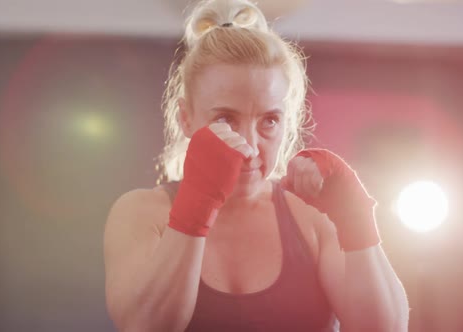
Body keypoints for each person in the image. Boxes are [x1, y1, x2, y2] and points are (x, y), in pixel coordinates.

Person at [103, 0, 409, 331]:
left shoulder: (311, 218)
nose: (248, 146)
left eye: (269, 120)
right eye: (225, 118)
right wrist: (195, 204)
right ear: (186, 118)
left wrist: (356, 218)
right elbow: (143, 327)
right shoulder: (141, 213)